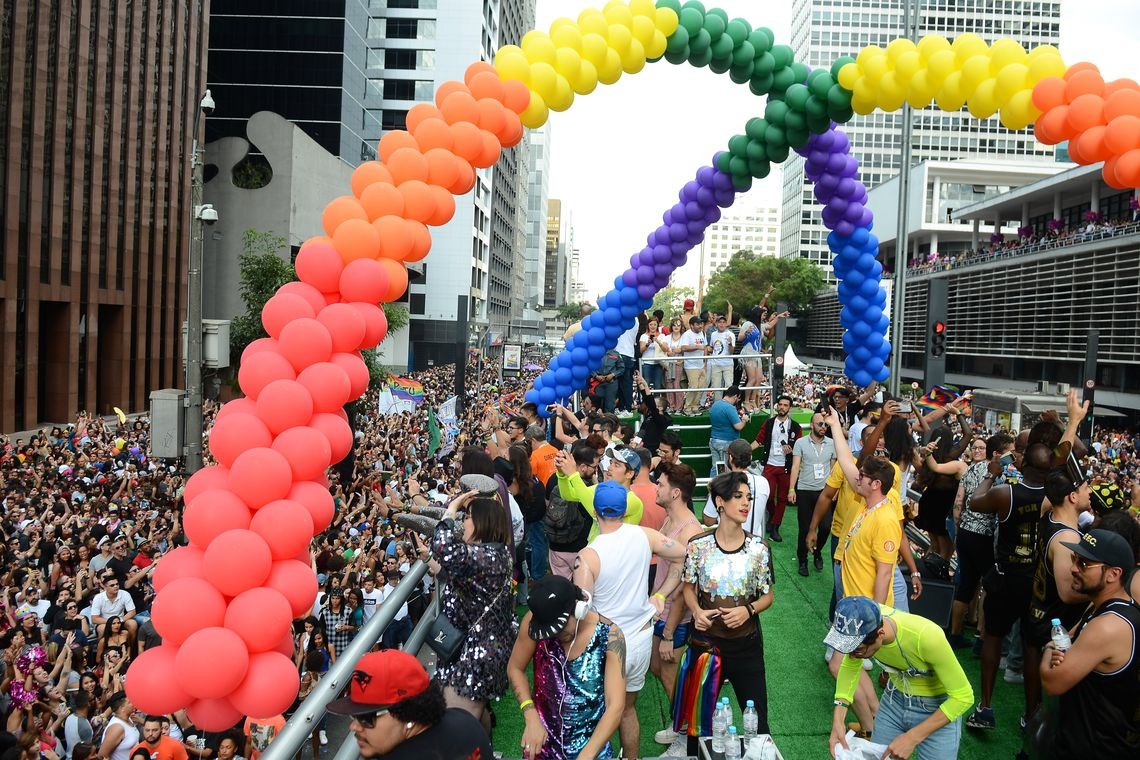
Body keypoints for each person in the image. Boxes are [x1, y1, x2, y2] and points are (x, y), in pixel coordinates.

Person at [966, 390, 1087, 731]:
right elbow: (1066, 456)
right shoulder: (1052, 495)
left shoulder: (1006, 492)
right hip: (1036, 582)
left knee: (993, 639)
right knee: (1033, 648)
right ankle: (1032, 714)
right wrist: (1070, 421)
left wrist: (990, 473)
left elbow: (975, 503)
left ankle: (986, 707)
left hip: (1005, 576)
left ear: (1022, 463)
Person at [572, 480, 687, 759]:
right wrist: (661, 595)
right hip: (641, 638)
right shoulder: (645, 535)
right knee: (627, 709)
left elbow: (580, 613)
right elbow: (685, 554)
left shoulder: (588, 557)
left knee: (600, 713)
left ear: (595, 512)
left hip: (609, 644)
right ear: (624, 511)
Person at [677, 471, 775, 757]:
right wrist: (696, 611)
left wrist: (748, 610)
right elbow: (688, 587)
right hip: (706, 646)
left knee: (758, 724)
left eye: (749, 498)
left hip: (747, 648)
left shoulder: (759, 548)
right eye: (738, 497)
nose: (746, 503)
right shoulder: (698, 545)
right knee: (697, 723)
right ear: (719, 502)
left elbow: (767, 596)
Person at [826, 596, 973, 760]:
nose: (851, 655)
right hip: (893, 702)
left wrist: (912, 737)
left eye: (857, 649)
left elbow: (963, 696)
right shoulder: (865, 620)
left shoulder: (927, 636)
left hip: (937, 708)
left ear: (880, 633)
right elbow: (850, 665)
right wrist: (838, 719)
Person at [1040, 529, 1140, 755]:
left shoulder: (1108, 626)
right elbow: (1067, 638)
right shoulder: (1101, 607)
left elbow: (1052, 682)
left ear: (1113, 574)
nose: (1073, 568)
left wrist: (1048, 649)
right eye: (1075, 559)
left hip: (1095, 748)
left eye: (1084, 564)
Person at [506, 575, 627, 760]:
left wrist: (586, 755)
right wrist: (529, 713)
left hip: (592, 751)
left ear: (579, 609)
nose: (556, 634)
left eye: (561, 627)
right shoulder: (536, 621)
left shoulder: (610, 636)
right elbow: (514, 668)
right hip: (543, 749)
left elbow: (615, 706)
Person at [428, 490, 516, 733]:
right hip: (477, 648)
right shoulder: (493, 553)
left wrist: (451, 508)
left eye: (467, 517)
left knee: (456, 726)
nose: (462, 522)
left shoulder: (485, 556)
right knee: (473, 715)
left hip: (475, 655)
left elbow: (444, 546)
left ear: (481, 522)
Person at [328, 649, 494, 759]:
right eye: (354, 716)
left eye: (367, 717)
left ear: (409, 715)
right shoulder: (464, 719)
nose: (354, 727)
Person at [647, 463, 703, 748]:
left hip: (675, 619)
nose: (657, 488)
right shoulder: (669, 519)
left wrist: (669, 633)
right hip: (662, 610)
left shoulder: (690, 530)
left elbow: (683, 590)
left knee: (669, 676)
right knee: (657, 667)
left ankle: (685, 738)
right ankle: (679, 722)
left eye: (661, 485)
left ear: (676, 493)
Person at [947, 433, 1014, 649]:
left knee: (966, 584)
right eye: (1009, 453)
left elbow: (959, 500)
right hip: (985, 536)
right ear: (997, 454)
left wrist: (959, 528)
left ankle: (955, 634)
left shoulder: (972, 468)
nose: (1012, 458)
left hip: (965, 532)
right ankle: (981, 637)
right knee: (989, 585)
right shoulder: (1002, 476)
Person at [789, 412, 836, 576]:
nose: (823, 427)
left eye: (825, 425)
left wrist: (834, 490)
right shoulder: (800, 443)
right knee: (804, 528)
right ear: (811, 425)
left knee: (825, 527)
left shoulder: (832, 443)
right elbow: (795, 467)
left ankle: (817, 551)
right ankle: (802, 560)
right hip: (804, 490)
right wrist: (791, 489)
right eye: (820, 424)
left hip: (824, 492)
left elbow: (833, 468)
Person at [543, 442, 596, 580]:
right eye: (594, 468)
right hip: (580, 547)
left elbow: (547, 504)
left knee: (562, 586)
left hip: (556, 545)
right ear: (583, 467)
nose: (595, 472)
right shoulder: (588, 488)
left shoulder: (554, 478)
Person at [751, 395, 801, 541]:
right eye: (780, 404)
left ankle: (775, 527)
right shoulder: (769, 423)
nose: (782, 407)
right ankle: (773, 516)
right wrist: (745, 450)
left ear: (789, 408)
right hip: (770, 465)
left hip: (785, 467)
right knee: (768, 495)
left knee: (782, 498)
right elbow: (757, 440)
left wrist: (791, 450)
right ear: (776, 406)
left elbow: (798, 448)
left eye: (785, 405)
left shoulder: (796, 427)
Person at [702, 440, 770, 535]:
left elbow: (708, 521)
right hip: (755, 543)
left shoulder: (721, 483)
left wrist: (711, 492)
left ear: (730, 458)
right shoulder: (763, 483)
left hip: (728, 543)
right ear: (750, 458)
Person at [707, 386, 745, 478]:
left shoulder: (715, 405)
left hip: (714, 441)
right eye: (738, 399)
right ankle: (723, 490)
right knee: (725, 470)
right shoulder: (730, 408)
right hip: (725, 443)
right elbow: (738, 426)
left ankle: (712, 489)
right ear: (736, 396)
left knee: (715, 468)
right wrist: (744, 420)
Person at [678, 316, 708, 415]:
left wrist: (705, 361)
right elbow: (683, 348)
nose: (700, 326)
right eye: (697, 324)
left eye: (701, 324)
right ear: (691, 325)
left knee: (701, 387)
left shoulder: (702, 333)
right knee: (693, 387)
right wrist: (697, 347)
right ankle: (687, 408)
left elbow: (705, 347)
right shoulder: (687, 335)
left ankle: (695, 406)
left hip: (701, 365)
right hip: (691, 365)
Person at [96, 692, 139, 760]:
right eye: (129, 702)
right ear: (122, 708)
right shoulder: (117, 728)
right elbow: (101, 756)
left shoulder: (128, 719)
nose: (133, 703)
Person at [706, 315, 735, 399]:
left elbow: (732, 352)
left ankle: (729, 405)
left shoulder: (731, 334)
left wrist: (730, 343)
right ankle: (717, 405)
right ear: (716, 324)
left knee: (729, 386)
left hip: (728, 363)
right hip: (716, 363)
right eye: (720, 322)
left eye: (723, 322)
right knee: (716, 387)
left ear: (726, 324)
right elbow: (712, 347)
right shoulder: (713, 334)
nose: (722, 324)